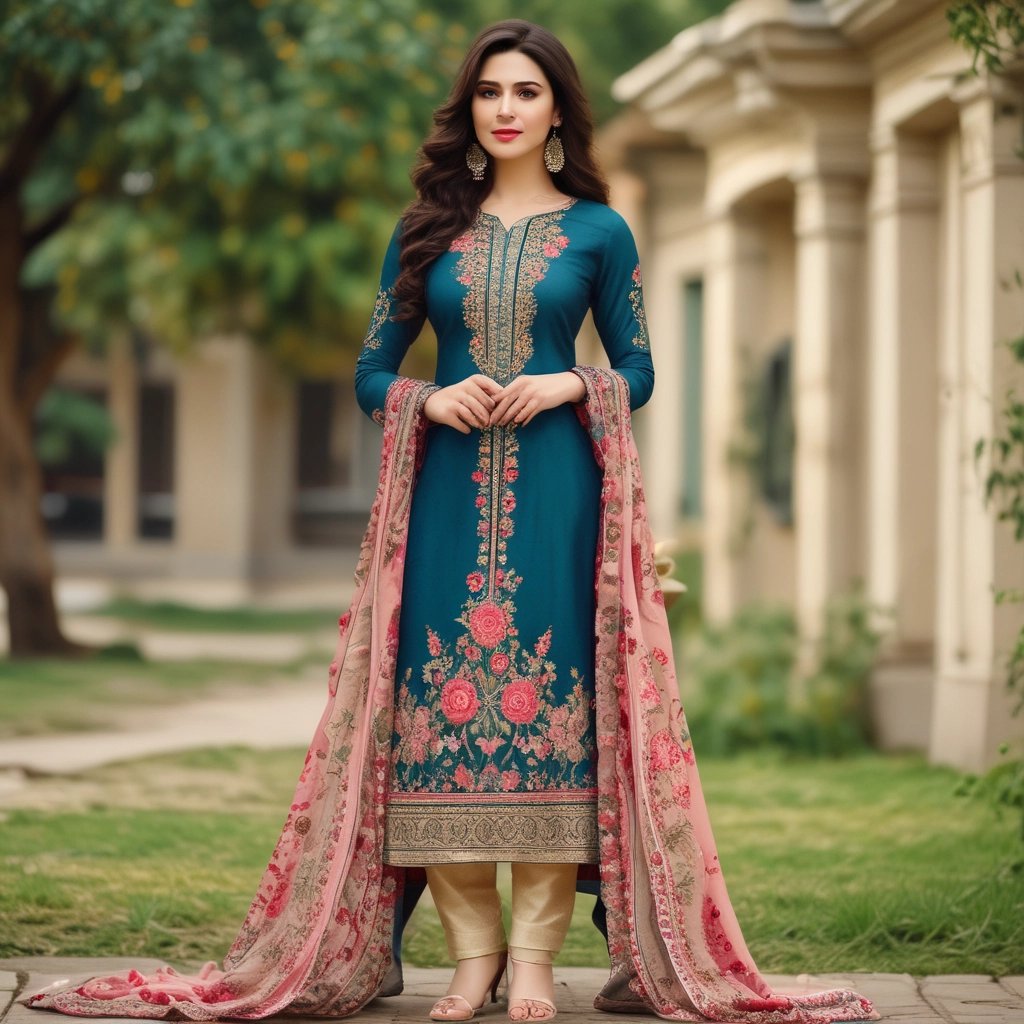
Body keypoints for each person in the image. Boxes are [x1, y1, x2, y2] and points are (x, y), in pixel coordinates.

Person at [21, 19, 880, 1024]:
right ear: (469, 112)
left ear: (558, 108)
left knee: (554, 729)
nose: (506, 109)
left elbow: (638, 372)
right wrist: (427, 400)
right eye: (489, 93)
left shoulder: (600, 233)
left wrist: (568, 382)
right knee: (440, 733)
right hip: (441, 505)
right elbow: (369, 370)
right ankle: (469, 962)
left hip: (560, 503)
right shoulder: (426, 229)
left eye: (525, 92)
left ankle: (530, 965)